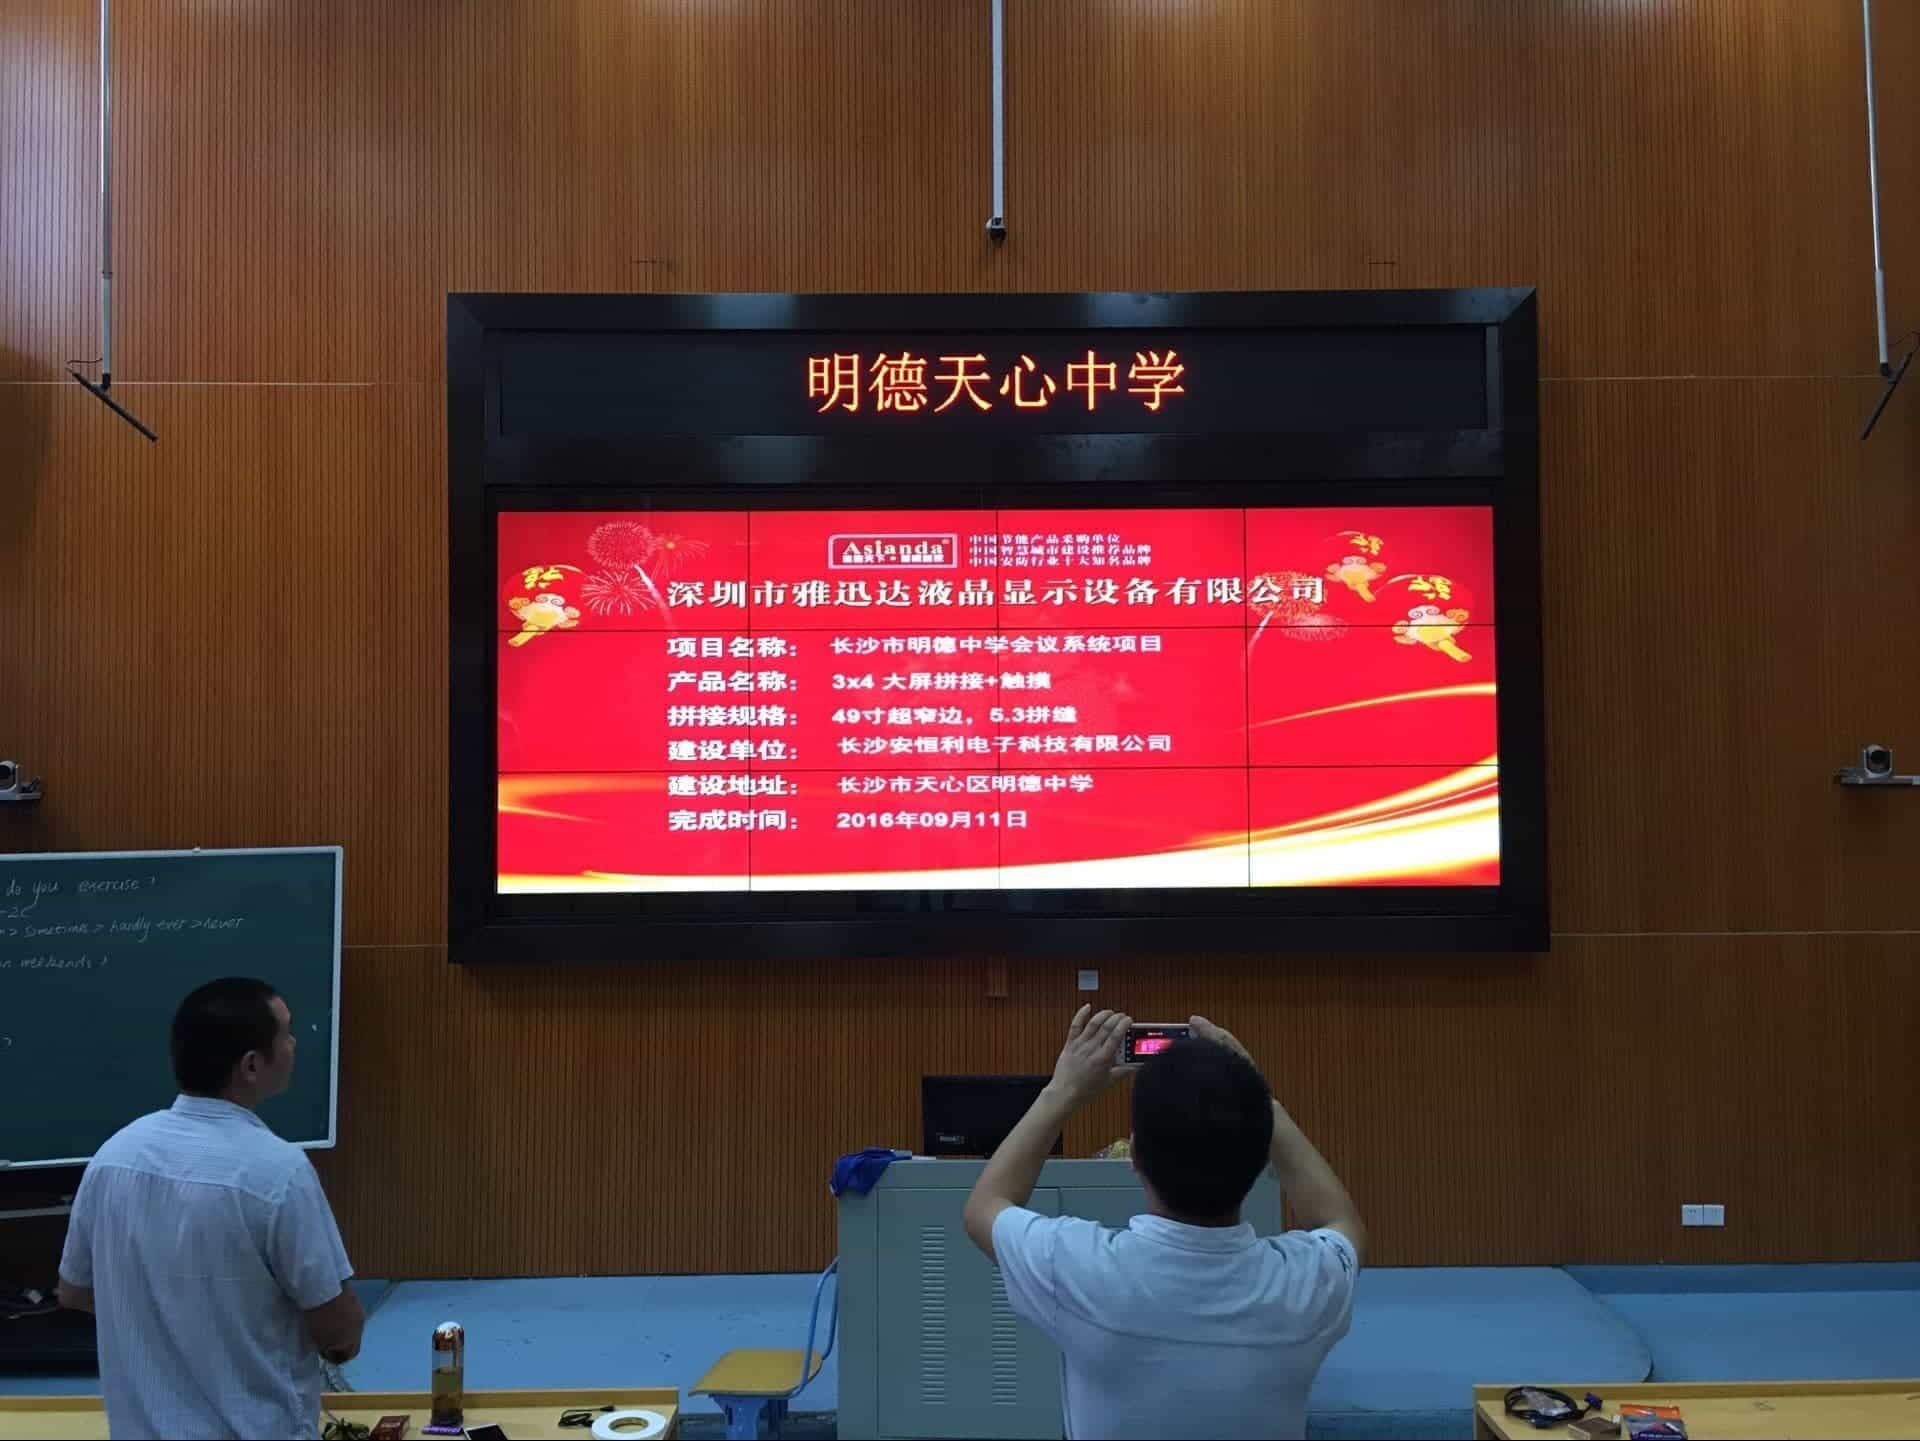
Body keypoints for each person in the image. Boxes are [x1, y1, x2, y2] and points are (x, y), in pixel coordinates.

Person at [962, 1007, 1365, 1441]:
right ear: (1263, 1149)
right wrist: (1262, 1103)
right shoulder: (1307, 1285)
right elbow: (1340, 1221)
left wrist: (1061, 1091)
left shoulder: (1079, 1269)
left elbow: (985, 1205)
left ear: (1134, 1155)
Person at [57, 977, 362, 1440]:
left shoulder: (113, 1156)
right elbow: (337, 1332)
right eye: (286, 1032)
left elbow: (74, 1291)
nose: (295, 1044)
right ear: (252, 1065)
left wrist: (167, 1317)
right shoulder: (278, 1171)